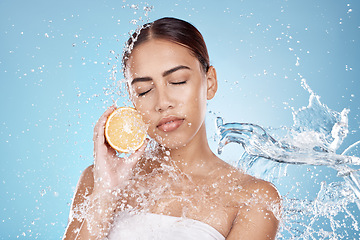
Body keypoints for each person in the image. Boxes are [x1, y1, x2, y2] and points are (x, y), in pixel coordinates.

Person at [63, 17, 281, 240]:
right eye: (144, 90)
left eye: (177, 81)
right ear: (132, 99)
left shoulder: (253, 197)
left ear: (210, 83)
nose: (162, 102)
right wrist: (105, 196)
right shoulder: (97, 180)